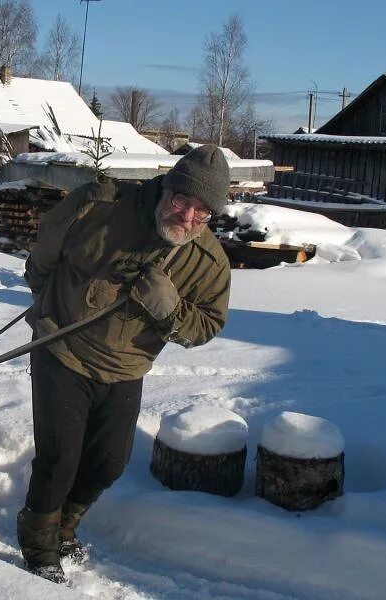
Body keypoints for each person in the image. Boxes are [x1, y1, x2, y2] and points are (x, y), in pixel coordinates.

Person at [17, 144, 232, 583]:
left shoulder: (208, 262)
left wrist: (170, 309)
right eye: (180, 201)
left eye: (202, 212)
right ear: (165, 188)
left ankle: (64, 526)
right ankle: (38, 543)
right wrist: (47, 304)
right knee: (60, 458)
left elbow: (207, 326)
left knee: (109, 463)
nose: (187, 217)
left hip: (126, 367)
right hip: (63, 347)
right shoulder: (100, 206)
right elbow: (44, 256)